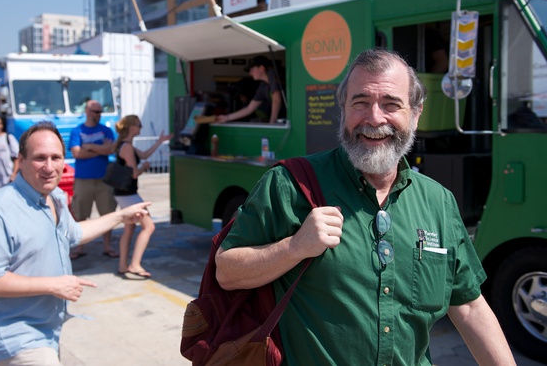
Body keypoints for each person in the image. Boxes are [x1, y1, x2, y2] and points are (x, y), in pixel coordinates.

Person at [215, 48, 516, 365]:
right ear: (343, 110)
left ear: (415, 114)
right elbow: (227, 272)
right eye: (360, 103)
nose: (374, 118)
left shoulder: (438, 201)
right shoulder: (289, 184)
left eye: (391, 104)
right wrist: (294, 247)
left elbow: (468, 306)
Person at [0, 121, 148, 365]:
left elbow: (74, 233)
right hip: (15, 333)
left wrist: (121, 216)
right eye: (40, 158)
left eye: (56, 157)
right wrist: (54, 285)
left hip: (45, 330)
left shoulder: (55, 197)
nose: (49, 167)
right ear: (21, 161)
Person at [112, 115, 173, 280]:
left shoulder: (124, 144)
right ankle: (135, 264)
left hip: (123, 193)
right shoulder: (127, 147)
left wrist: (159, 141)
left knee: (129, 228)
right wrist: (144, 168)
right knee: (149, 226)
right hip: (129, 194)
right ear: (132, 127)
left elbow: (144, 155)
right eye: (139, 125)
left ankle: (123, 265)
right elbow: (134, 173)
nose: (141, 127)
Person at [68, 100, 117, 259]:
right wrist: (101, 149)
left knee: (107, 213)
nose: (99, 115)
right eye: (96, 112)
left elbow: (111, 149)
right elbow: (77, 153)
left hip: (104, 179)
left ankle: (107, 246)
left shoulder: (106, 130)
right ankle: (79, 247)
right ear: (87, 112)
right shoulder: (77, 131)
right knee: (80, 213)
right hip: (83, 179)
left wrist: (89, 146)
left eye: (100, 112)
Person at [215, 55, 284, 124]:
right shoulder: (263, 86)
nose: (250, 73)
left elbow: (276, 100)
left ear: (261, 68)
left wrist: (272, 123)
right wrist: (227, 117)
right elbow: (249, 108)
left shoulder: (273, 74)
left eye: (252, 70)